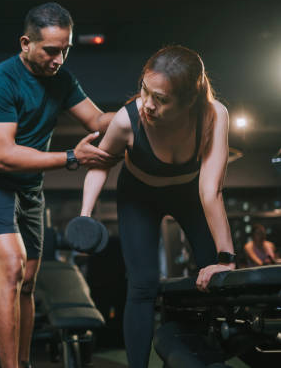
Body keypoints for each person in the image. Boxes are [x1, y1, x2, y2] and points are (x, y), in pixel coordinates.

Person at [0, 2, 118, 368]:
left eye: (65, 50)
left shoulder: (62, 79)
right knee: (13, 268)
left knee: (30, 281)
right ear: (26, 43)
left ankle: (24, 362)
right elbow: (2, 156)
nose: (59, 58)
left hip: (30, 189)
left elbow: (97, 119)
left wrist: (135, 113)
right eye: (51, 50)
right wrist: (71, 158)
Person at [79, 45, 236, 367]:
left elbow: (210, 190)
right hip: (139, 197)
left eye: (161, 99)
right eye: (145, 91)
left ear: (189, 100)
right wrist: (85, 215)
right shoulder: (127, 120)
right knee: (142, 286)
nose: (148, 104)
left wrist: (226, 259)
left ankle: (199, 355)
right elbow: (100, 164)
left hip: (189, 195)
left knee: (213, 278)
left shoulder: (213, 115)